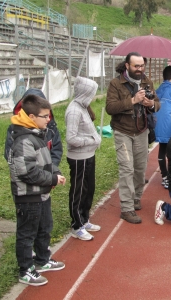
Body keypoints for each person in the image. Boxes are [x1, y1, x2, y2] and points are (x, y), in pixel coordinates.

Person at [7, 94, 66, 286]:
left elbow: (46, 160)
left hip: (41, 193)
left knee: (44, 227)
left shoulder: (37, 134)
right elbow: (27, 172)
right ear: (32, 117)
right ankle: (26, 269)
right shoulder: (24, 140)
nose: (48, 119)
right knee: (27, 233)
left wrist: (55, 172)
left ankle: (42, 258)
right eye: (44, 116)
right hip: (28, 196)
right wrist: (52, 178)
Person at [106, 52, 160, 224]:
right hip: (123, 131)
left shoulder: (147, 81)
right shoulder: (116, 83)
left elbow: (157, 104)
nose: (140, 69)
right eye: (136, 66)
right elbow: (110, 107)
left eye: (142, 65)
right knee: (126, 168)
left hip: (142, 131)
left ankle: (136, 197)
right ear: (127, 66)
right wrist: (133, 100)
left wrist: (151, 104)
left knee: (140, 167)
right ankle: (126, 208)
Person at [65, 77, 102, 241]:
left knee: (89, 188)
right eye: (91, 93)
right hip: (79, 157)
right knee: (78, 190)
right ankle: (76, 224)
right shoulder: (74, 110)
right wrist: (91, 141)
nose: (93, 97)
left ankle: (84, 218)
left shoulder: (83, 108)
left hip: (89, 155)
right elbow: (71, 138)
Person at [4, 88, 63, 166]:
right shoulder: (15, 130)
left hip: (47, 173)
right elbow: (9, 152)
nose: (48, 119)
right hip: (28, 174)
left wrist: (52, 169)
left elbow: (57, 150)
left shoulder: (51, 128)